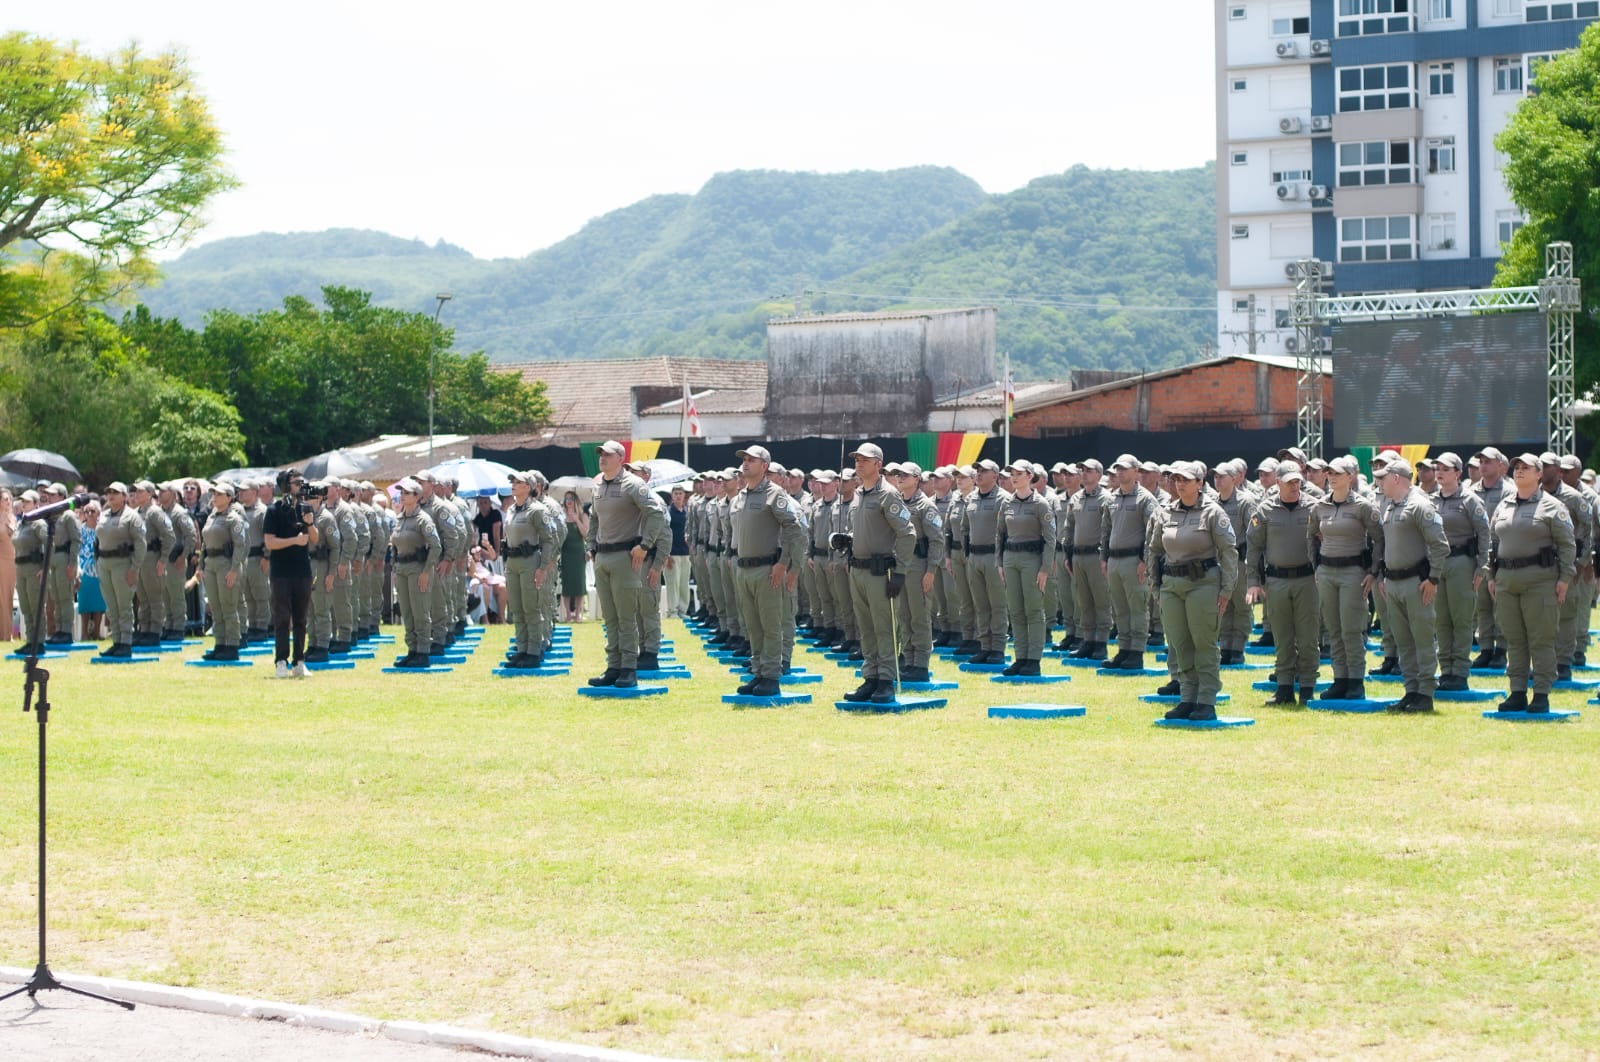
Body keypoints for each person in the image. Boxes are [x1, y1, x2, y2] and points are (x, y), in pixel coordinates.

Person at [1146, 461, 1238, 721]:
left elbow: (1229, 552)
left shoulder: (1213, 512)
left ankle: (1206, 700)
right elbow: (1154, 550)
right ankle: (1187, 698)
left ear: (1199, 483)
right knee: (1179, 643)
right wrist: (1156, 587)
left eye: (1186, 479)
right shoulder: (1166, 512)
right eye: (1177, 479)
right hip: (1171, 586)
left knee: (1204, 643)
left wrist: (1227, 590)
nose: (1180, 483)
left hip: (1203, 584)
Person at [1489, 453, 1577, 713]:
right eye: (1516, 467)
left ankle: (1541, 693)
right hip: (1507, 579)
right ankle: (1517, 692)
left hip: (1540, 580)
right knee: (1514, 639)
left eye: (1526, 468)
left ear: (1539, 474)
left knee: (1540, 638)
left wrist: (1564, 579)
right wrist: (1492, 575)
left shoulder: (1552, 506)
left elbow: (1567, 545)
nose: (1519, 471)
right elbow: (1493, 544)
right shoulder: (1504, 505)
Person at [837, 443, 916, 705]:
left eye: (865, 459)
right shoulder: (859, 493)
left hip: (880, 572)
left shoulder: (888, 495)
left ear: (878, 464)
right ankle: (870, 677)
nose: (859, 463)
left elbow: (907, 533)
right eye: (857, 459)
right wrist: (847, 540)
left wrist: (901, 572)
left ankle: (886, 680)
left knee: (884, 628)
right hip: (857, 569)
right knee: (866, 628)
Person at [586, 440, 668, 688]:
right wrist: (591, 544)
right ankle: (614, 666)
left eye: (608, 454)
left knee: (626, 617)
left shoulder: (634, 485)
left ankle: (629, 668)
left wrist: (645, 546)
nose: (602, 457)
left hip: (625, 557)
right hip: (603, 557)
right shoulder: (598, 484)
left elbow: (655, 513)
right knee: (609, 617)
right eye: (600, 454)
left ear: (621, 458)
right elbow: (594, 517)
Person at [728, 445, 806, 697]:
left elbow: (794, 529)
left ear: (764, 466)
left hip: (767, 568)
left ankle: (771, 676)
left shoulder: (775, 494)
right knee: (752, 625)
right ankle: (759, 671)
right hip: (744, 568)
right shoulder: (741, 496)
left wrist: (784, 563)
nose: (746, 463)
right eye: (744, 460)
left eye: (752, 460)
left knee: (771, 625)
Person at [1376, 458, 1450, 713]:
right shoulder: (1390, 507)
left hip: (1416, 583)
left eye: (1383, 478)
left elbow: (1440, 546)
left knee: (1422, 639)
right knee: (1403, 641)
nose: (1379, 482)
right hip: (1394, 582)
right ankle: (1411, 691)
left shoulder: (1420, 506)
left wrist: (1433, 579)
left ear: (1396, 478)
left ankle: (1425, 693)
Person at [1307, 455, 1383, 702]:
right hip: (1327, 572)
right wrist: (1316, 566)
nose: (1331, 477)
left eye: (1337, 474)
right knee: (1333, 629)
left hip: (1353, 572)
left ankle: (1356, 681)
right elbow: (1311, 537)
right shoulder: (1320, 506)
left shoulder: (1362, 506)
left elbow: (1379, 539)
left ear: (1350, 477)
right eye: (1329, 473)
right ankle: (1340, 679)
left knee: (1352, 629)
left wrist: (1372, 571)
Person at [1246, 462, 1320, 705]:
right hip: (1276, 581)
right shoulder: (1265, 510)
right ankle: (1284, 688)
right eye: (1289, 481)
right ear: (1277, 482)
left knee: (1308, 637)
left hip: (1307, 580)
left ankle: (1308, 688)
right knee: (1282, 637)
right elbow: (1254, 548)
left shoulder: (1313, 508)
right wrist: (1254, 582)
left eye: (1297, 481)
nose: (1294, 485)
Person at [1430, 453, 1491, 691]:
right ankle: (1446, 670)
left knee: (1462, 619)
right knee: (1441, 620)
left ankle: (1460, 672)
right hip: (1437, 564)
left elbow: (1484, 533)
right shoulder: (1430, 500)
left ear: (1458, 472)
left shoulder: (1470, 500)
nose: (1440, 472)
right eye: (1438, 467)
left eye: (1446, 468)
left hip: (1462, 562)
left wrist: (1482, 565)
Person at [998, 461, 1055, 676]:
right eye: (1011, 473)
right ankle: (1020, 657)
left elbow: (1050, 539)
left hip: (1032, 560)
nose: (1014, 477)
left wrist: (1045, 569)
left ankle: (1034, 659)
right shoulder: (1007, 503)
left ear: (1030, 476)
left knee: (1033, 610)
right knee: (1015, 610)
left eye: (1018, 474)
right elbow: (1000, 535)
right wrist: (999, 563)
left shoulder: (1040, 504)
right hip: (1010, 559)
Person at [890, 461, 945, 683]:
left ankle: (920, 663)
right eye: (898, 475)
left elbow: (937, 540)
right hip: (900, 566)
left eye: (905, 475)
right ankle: (908, 658)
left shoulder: (926, 506)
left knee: (919, 615)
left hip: (918, 564)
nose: (900, 478)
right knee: (903, 615)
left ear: (917, 478)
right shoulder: (895, 503)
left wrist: (931, 570)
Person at [1101, 454, 1156, 669]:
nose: (1120, 472)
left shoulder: (1145, 499)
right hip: (1114, 559)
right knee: (1120, 608)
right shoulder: (1111, 498)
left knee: (1137, 608)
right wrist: (1103, 558)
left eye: (1124, 468)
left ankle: (1137, 652)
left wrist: (1145, 560)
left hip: (1135, 560)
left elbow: (1152, 532)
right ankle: (1124, 649)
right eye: (1118, 469)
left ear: (1136, 471)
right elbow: (1106, 530)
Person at [263, 468, 319, 678]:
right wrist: (294, 541)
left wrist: (310, 523)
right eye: (296, 482)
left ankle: (299, 660)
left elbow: (314, 538)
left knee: (301, 619)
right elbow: (270, 542)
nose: (300, 485)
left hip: (302, 570)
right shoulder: (274, 510)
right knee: (282, 618)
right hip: (281, 572)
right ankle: (281, 661)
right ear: (286, 485)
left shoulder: (305, 508)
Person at [502, 471, 561, 669]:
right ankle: (522, 649)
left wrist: (543, 567)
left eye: (518, 482)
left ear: (528, 487)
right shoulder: (511, 510)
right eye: (513, 482)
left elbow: (548, 539)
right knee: (517, 609)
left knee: (532, 608)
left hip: (530, 561)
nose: (514, 485)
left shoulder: (537, 510)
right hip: (513, 562)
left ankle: (534, 650)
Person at [389, 478, 441, 668]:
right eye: (401, 492)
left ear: (417, 497)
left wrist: (427, 571)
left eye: (407, 493)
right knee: (407, 612)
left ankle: (423, 651)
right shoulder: (400, 518)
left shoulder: (423, 519)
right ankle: (412, 650)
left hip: (418, 569)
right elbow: (394, 545)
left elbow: (436, 546)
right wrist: (394, 566)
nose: (402, 496)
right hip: (402, 568)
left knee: (420, 611)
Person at [1468, 447, 1512, 669]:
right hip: (1477, 554)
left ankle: (1501, 649)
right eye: (1481, 461)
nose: (1483, 465)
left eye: (1488, 461)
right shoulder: (1470, 491)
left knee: (1500, 604)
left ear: (1501, 466)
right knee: (1482, 604)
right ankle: (1485, 648)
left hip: (1500, 553)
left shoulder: (1510, 491)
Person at [1063, 458, 1111, 660]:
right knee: (1084, 601)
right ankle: (1088, 640)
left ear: (1099, 475)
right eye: (1082, 470)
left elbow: (1109, 529)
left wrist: (1105, 556)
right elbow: (1069, 527)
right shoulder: (1075, 499)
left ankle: (1101, 643)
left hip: (1095, 555)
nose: (1084, 473)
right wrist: (1067, 554)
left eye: (1089, 470)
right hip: (1078, 556)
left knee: (1101, 601)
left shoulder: (1107, 498)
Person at [94, 483, 146, 658]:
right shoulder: (104, 515)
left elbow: (140, 544)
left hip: (122, 564)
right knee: (111, 606)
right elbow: (97, 541)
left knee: (124, 605)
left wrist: (134, 568)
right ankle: (116, 641)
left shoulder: (132, 517)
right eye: (108, 492)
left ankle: (125, 642)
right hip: (104, 563)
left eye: (115, 493)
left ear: (124, 496)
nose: (110, 495)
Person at [199, 481, 247, 661]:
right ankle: (220, 644)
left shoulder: (233, 518)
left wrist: (235, 569)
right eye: (214, 494)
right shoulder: (212, 517)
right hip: (210, 563)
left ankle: (232, 644)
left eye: (219, 494)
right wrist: (200, 566)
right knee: (215, 607)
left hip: (226, 563)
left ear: (229, 498)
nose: (215, 497)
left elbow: (240, 545)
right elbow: (204, 543)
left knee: (228, 606)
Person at [129, 480, 173, 646]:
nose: (137, 494)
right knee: (143, 598)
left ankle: (155, 630)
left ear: (149, 494)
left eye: (140, 492)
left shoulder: (155, 512)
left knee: (154, 597)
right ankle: (144, 629)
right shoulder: (136, 512)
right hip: (139, 559)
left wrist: (163, 559)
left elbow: (169, 536)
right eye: (136, 492)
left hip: (152, 558)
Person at [39, 483, 82, 644]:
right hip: (53, 559)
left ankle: (66, 631)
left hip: (64, 558)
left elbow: (76, 541)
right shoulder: (51, 516)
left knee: (65, 596)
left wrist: (72, 564)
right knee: (56, 597)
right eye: (48, 494)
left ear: (62, 497)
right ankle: (59, 629)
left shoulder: (68, 516)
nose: (49, 497)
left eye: (53, 494)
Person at [12, 490, 47, 653]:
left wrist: (44, 567)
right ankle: (30, 640)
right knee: (25, 606)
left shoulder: (38, 523)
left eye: (27, 501)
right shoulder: (21, 523)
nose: (23, 504)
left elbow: (49, 544)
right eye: (22, 501)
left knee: (36, 605)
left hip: (34, 568)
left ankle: (38, 642)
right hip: (20, 567)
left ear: (35, 503)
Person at [75, 498, 107, 640]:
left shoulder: (103, 529)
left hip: (100, 568)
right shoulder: (79, 530)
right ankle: (84, 633)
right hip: (84, 568)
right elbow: (76, 550)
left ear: (98, 513)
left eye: (92, 511)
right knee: (85, 601)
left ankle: (97, 633)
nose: (89, 514)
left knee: (100, 602)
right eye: (86, 511)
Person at [558, 490, 589, 622]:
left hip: (578, 553)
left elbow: (585, 534)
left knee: (578, 583)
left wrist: (576, 519)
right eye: (566, 498)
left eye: (571, 498)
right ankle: (568, 615)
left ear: (575, 500)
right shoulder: (561, 515)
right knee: (567, 584)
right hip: (565, 552)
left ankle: (577, 614)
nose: (568, 501)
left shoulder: (582, 515)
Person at [665, 484, 692, 618]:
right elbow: (663, 534)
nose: (678, 496)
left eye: (680, 493)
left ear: (684, 495)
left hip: (686, 553)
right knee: (672, 584)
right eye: (675, 493)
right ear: (672, 495)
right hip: (672, 553)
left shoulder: (688, 511)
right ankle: (672, 611)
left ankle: (682, 611)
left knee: (683, 584)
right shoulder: (668, 512)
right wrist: (666, 554)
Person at [0, 488, 14, 642]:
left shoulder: (13, 518)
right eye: (5, 499)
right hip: (0, 558)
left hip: (11, 560)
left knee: (7, 596)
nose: (8, 502)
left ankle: (7, 633)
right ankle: (3, 634)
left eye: (9, 499)